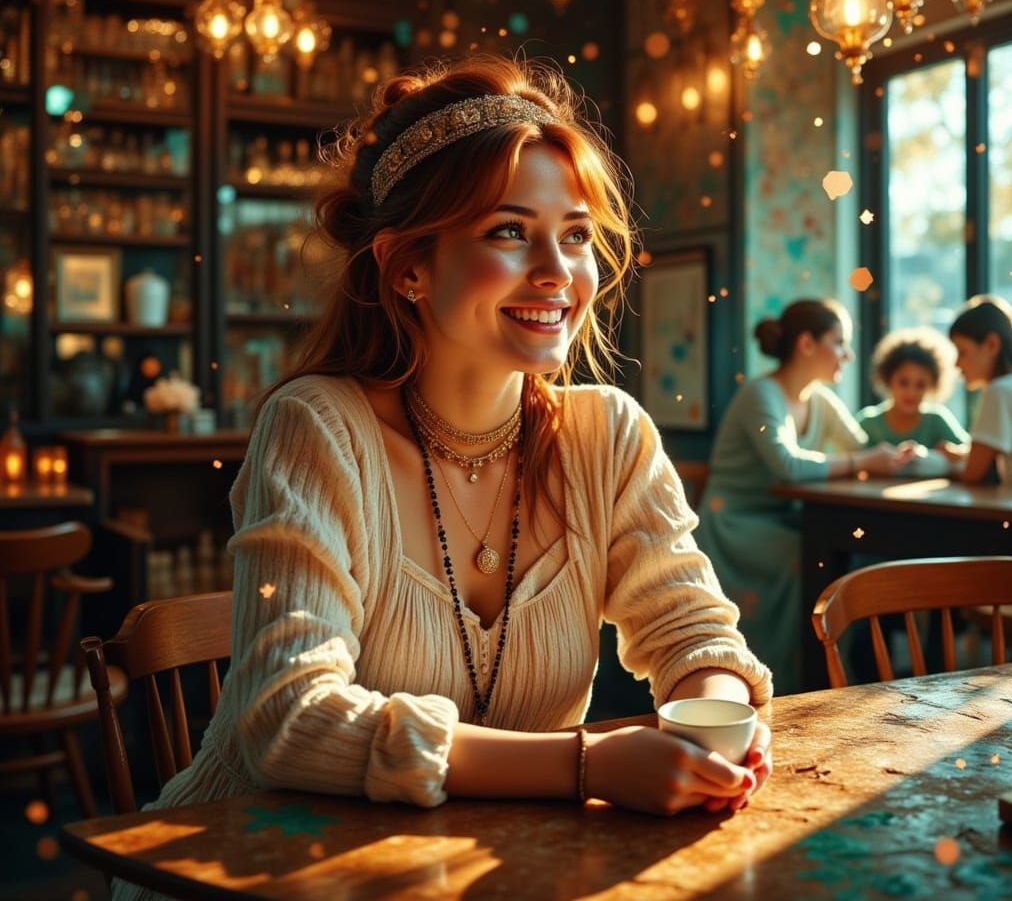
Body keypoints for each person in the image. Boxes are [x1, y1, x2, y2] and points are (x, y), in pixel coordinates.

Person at [114, 54, 774, 899]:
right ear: (407, 267)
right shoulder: (317, 427)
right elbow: (290, 720)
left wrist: (709, 719)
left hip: (477, 875)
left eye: (575, 233)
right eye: (510, 231)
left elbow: (694, 633)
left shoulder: (609, 436)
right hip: (252, 872)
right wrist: (585, 764)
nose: (558, 271)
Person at [696, 299, 914, 695]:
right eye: (839, 342)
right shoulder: (761, 395)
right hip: (734, 524)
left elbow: (866, 447)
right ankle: (790, 681)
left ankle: (834, 676)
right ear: (806, 344)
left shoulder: (820, 400)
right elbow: (788, 465)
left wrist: (926, 451)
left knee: (846, 557)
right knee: (816, 561)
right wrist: (864, 460)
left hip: (785, 518)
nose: (847, 354)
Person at [857, 326, 969, 475]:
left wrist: (938, 455)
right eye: (903, 382)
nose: (911, 393)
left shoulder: (937, 419)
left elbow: (970, 455)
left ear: (932, 385)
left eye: (920, 385)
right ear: (888, 380)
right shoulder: (868, 423)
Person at [943, 294, 1012, 487]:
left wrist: (932, 466)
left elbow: (973, 473)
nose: (956, 364)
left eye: (962, 352)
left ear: (991, 344)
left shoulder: (1000, 391)